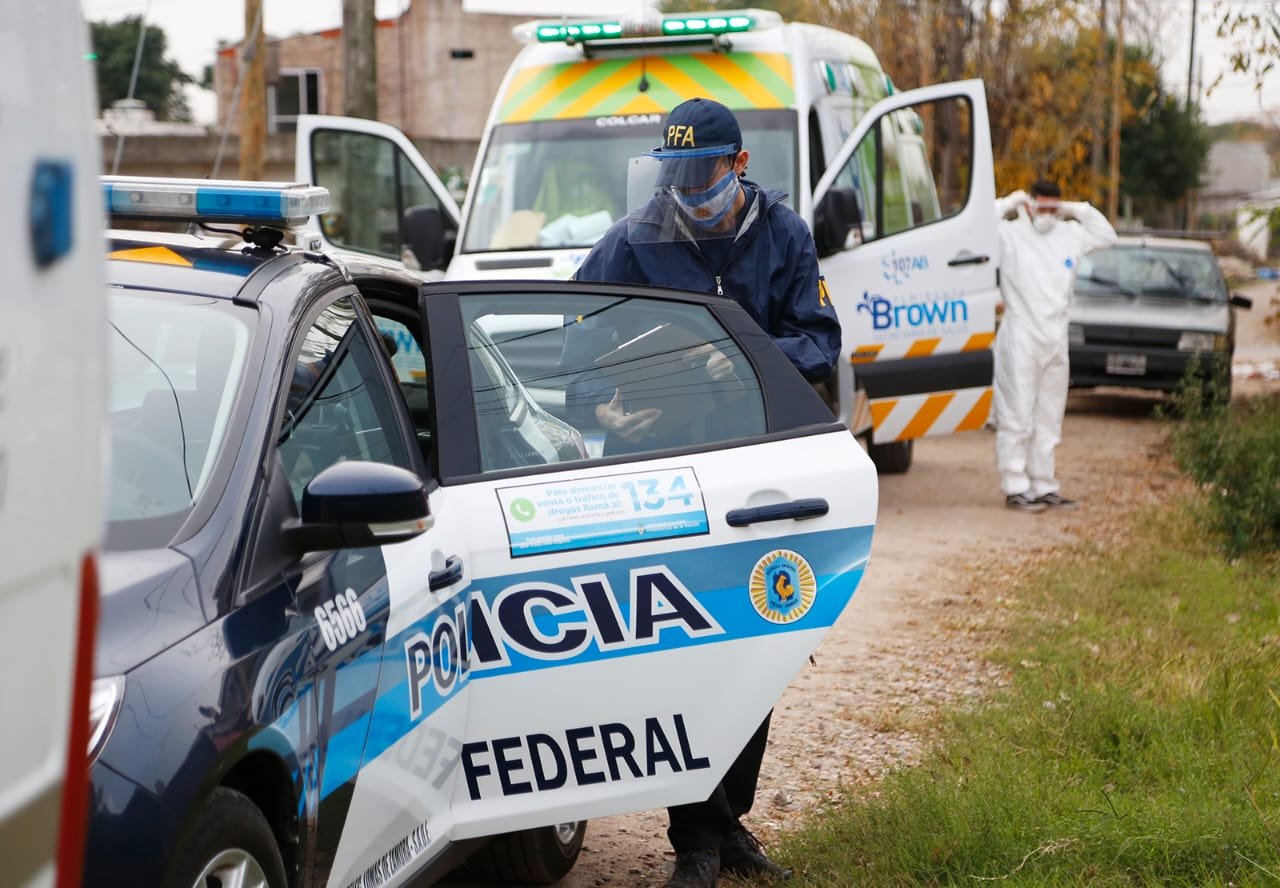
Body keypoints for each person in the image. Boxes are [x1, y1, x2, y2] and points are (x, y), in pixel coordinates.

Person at [572, 97, 835, 887]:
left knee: (756, 638)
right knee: (682, 645)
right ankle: (698, 837)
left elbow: (819, 342)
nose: (687, 193)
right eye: (675, 177)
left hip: (754, 466)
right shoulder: (632, 240)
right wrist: (601, 405)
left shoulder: (784, 235)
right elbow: (571, 337)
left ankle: (726, 822)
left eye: (702, 177)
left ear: (739, 165)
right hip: (659, 469)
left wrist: (747, 359)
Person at [993, 178, 1116, 512]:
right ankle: (1015, 485)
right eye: (1041, 206)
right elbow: (979, 227)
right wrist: (1010, 201)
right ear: (1030, 203)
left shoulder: (1070, 234)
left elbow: (1107, 235)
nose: (1046, 214)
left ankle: (1043, 483)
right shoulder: (1010, 234)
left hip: (1055, 337)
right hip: (1021, 335)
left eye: (1052, 207)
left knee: (1049, 416)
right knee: (1017, 414)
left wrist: (1075, 209)